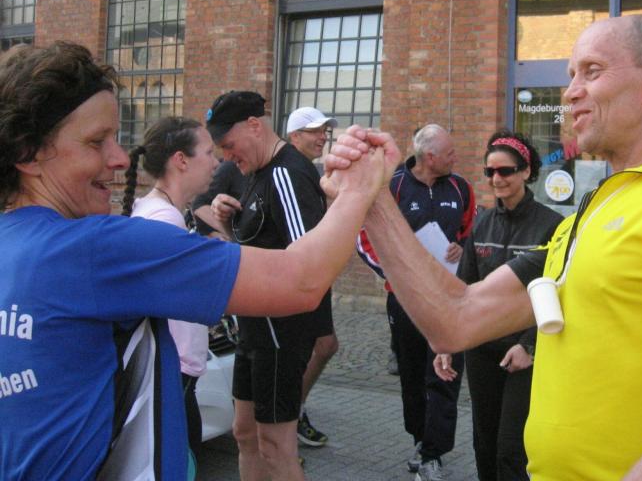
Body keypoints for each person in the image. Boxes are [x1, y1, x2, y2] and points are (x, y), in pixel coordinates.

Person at [327, 14, 642, 480]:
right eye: (570, 75)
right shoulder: (594, 208)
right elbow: (454, 320)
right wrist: (372, 199)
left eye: (592, 71)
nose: (570, 92)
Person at [0, 41, 383, 480]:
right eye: (95, 141)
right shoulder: (101, 248)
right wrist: (359, 189)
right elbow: (301, 281)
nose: (120, 158)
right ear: (28, 153)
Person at [204, 91, 331, 481]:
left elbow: (308, 261)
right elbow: (257, 248)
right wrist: (226, 223)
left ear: (254, 126)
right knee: (245, 433)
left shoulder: (286, 173)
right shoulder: (257, 173)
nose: (227, 156)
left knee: (276, 446)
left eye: (229, 145)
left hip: (280, 332)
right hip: (253, 326)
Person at [434, 130, 561, 481]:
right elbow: (464, 289)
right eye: (490, 172)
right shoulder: (482, 222)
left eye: (505, 171)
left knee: (511, 448)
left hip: (523, 354)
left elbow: (558, 292)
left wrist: (528, 345)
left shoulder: (552, 225)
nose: (496, 179)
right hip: (482, 351)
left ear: (526, 171)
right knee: (484, 441)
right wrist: (447, 341)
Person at [357, 123, 475, 481]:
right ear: (429, 157)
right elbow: (365, 238)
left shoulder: (460, 187)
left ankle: (434, 453)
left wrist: (463, 247)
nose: (456, 158)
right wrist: (396, 275)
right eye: (450, 153)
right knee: (411, 375)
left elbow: (471, 230)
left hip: (450, 298)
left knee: (445, 374)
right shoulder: (392, 187)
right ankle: (421, 441)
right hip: (404, 299)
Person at [119, 116, 218, 462]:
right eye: (209, 152)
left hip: (174, 368)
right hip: (172, 370)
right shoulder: (164, 219)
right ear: (181, 160)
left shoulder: (157, 210)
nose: (216, 162)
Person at [286, 106, 340, 448]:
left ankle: (293, 411)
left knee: (324, 345)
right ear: (295, 136)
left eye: (324, 131)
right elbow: (303, 238)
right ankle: (287, 419)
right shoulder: (291, 170)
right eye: (315, 131)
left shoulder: (308, 170)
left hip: (316, 276)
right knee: (312, 347)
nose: (323, 137)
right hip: (303, 278)